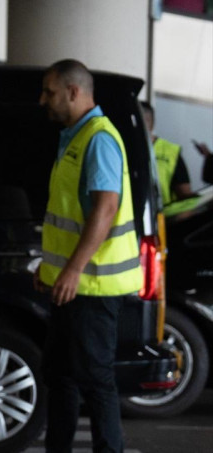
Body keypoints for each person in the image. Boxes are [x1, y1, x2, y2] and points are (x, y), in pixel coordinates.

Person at [35, 59, 142, 453]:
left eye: (49, 91)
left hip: (93, 286)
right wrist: (52, 270)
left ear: (73, 92)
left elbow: (106, 209)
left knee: (96, 381)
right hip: (73, 284)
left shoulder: (98, 138)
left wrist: (73, 270)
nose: (43, 100)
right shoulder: (74, 137)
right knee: (60, 376)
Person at [141, 103, 196, 205]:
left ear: (151, 123)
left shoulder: (171, 152)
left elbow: (185, 195)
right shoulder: (126, 148)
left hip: (163, 217)